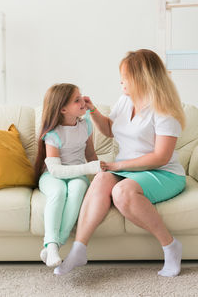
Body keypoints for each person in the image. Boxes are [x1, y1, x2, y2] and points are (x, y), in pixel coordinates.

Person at [54, 49, 186, 277]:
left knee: (121, 192)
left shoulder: (165, 109)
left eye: (125, 76)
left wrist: (118, 166)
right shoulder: (126, 100)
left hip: (163, 173)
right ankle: (79, 248)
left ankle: (170, 246)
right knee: (101, 179)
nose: (121, 81)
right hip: (130, 170)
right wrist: (92, 110)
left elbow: (161, 157)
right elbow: (109, 130)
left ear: (141, 78)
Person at [34, 83, 101, 267]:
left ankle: (52, 247)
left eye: (81, 97)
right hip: (52, 176)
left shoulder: (86, 125)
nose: (82, 102)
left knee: (78, 188)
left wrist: (98, 178)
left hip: (77, 176)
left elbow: (90, 155)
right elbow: (56, 170)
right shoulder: (53, 134)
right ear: (63, 108)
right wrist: (89, 169)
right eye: (76, 100)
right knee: (58, 192)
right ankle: (53, 245)